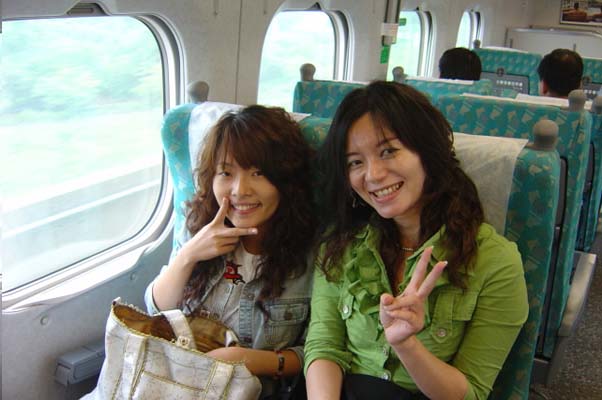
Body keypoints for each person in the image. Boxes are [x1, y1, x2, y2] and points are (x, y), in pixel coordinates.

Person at [304, 81, 528, 400]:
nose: (373, 175)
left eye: (388, 151)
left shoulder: (496, 261)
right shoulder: (340, 245)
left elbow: (472, 392)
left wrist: (406, 345)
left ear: (427, 152)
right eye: (355, 162)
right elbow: (324, 346)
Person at [145, 105, 317, 398]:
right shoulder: (200, 223)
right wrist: (188, 255)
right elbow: (155, 312)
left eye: (258, 173)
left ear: (285, 180)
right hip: (170, 382)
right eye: (226, 172)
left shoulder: (314, 254)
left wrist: (248, 360)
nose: (239, 190)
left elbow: (317, 350)